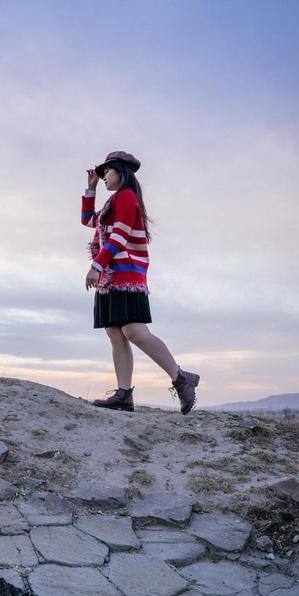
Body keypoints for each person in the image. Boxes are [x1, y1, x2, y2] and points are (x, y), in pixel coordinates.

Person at [82, 151, 200, 415]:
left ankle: (181, 378)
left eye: (106, 173)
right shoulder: (113, 202)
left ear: (121, 173)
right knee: (115, 333)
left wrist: (95, 266)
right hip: (111, 278)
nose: (103, 178)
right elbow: (89, 220)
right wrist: (89, 190)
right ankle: (124, 394)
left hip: (124, 275)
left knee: (134, 332)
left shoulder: (126, 198)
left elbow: (120, 237)